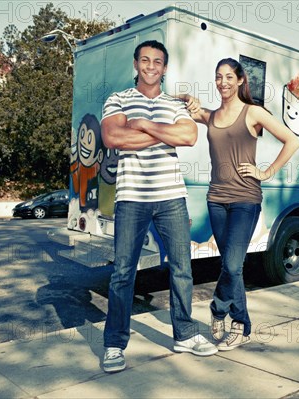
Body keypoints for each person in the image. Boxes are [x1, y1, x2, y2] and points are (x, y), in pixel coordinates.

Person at [100, 40, 217, 373]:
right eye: (145, 60)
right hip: (132, 198)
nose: (151, 66)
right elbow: (114, 139)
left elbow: (190, 136)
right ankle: (114, 344)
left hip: (171, 198)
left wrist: (143, 125)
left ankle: (185, 334)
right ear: (136, 64)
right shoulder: (118, 99)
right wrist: (167, 134)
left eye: (158, 62)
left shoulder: (174, 102)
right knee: (123, 273)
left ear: (165, 68)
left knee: (182, 268)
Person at [183, 58, 299, 351]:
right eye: (218, 77)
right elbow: (186, 104)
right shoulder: (211, 116)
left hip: (246, 199)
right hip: (216, 200)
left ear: (239, 81)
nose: (222, 82)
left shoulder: (253, 113)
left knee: (234, 263)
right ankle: (240, 323)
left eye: (228, 77)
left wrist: (266, 172)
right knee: (230, 266)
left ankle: (225, 314)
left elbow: (292, 141)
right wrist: (187, 100)